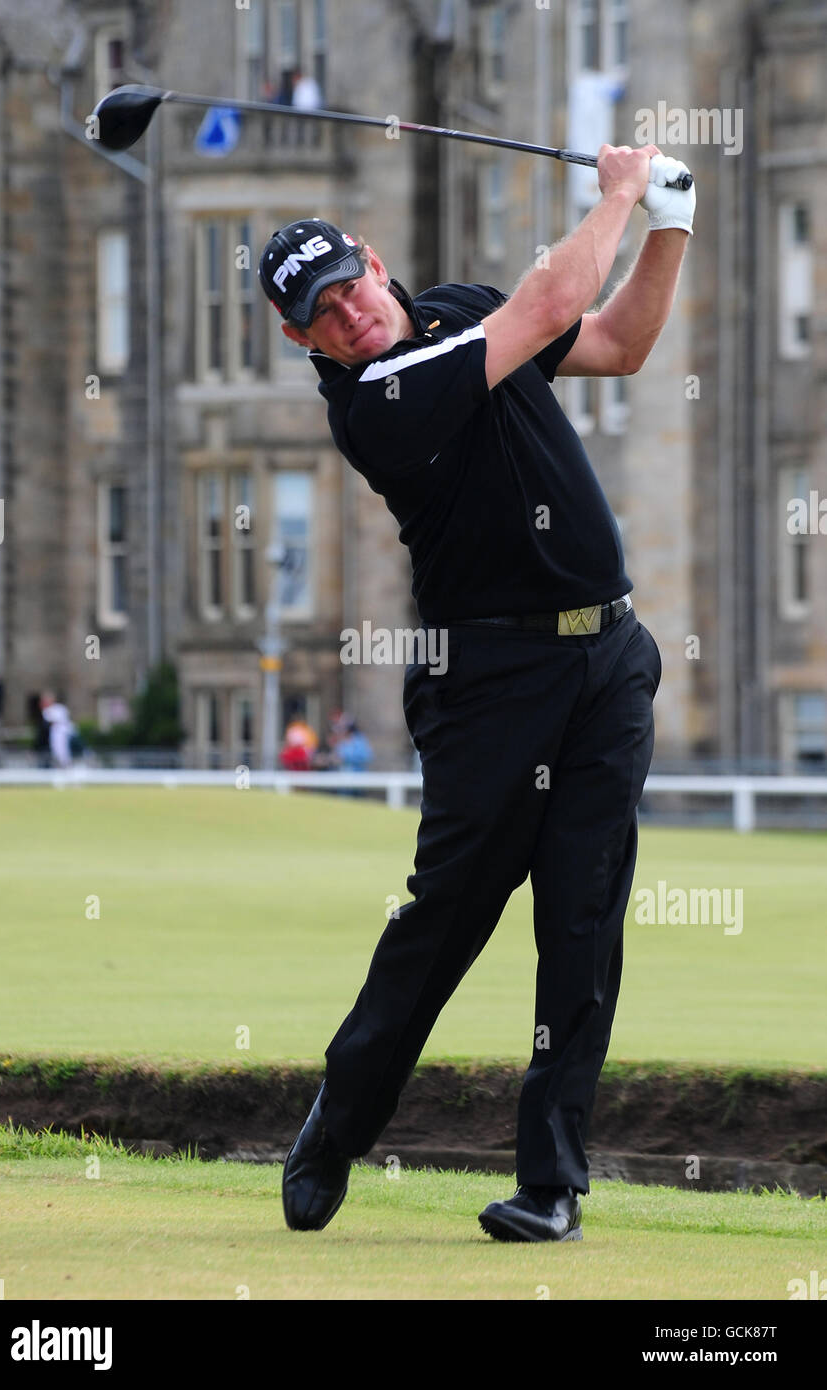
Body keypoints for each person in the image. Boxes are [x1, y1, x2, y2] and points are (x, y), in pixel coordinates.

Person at [257, 143, 694, 1242]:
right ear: (298, 337)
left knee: (581, 921)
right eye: (321, 311)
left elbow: (619, 342)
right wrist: (619, 193)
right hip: (488, 684)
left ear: (373, 258)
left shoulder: (452, 308)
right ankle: (337, 1119)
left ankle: (550, 1184)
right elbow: (554, 294)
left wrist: (669, 224)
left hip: (606, 663)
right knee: (444, 919)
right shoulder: (373, 402)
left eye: (347, 283)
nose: (349, 313)